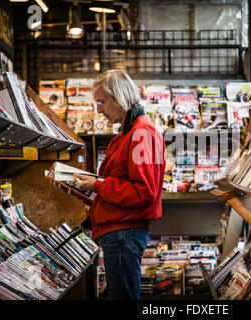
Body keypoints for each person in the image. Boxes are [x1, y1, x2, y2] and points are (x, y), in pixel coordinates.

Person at [72, 70, 166, 300]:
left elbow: (144, 192)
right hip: (119, 231)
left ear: (119, 97)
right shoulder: (128, 133)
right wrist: (85, 188)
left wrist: (96, 186)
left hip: (124, 233)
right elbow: (120, 185)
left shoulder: (141, 133)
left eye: (102, 102)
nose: (99, 110)